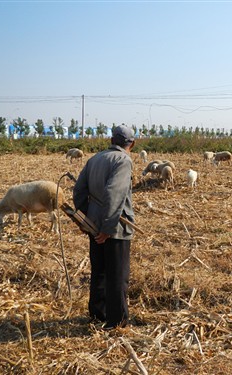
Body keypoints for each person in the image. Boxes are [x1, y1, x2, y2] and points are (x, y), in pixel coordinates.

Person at [73, 125, 136, 330]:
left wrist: (87, 219)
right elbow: (114, 193)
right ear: (132, 144)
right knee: (117, 274)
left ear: (111, 141)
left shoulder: (95, 159)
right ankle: (117, 322)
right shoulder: (123, 160)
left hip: (94, 225)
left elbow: (79, 191)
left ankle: (98, 315)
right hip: (115, 228)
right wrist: (108, 227)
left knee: (99, 271)